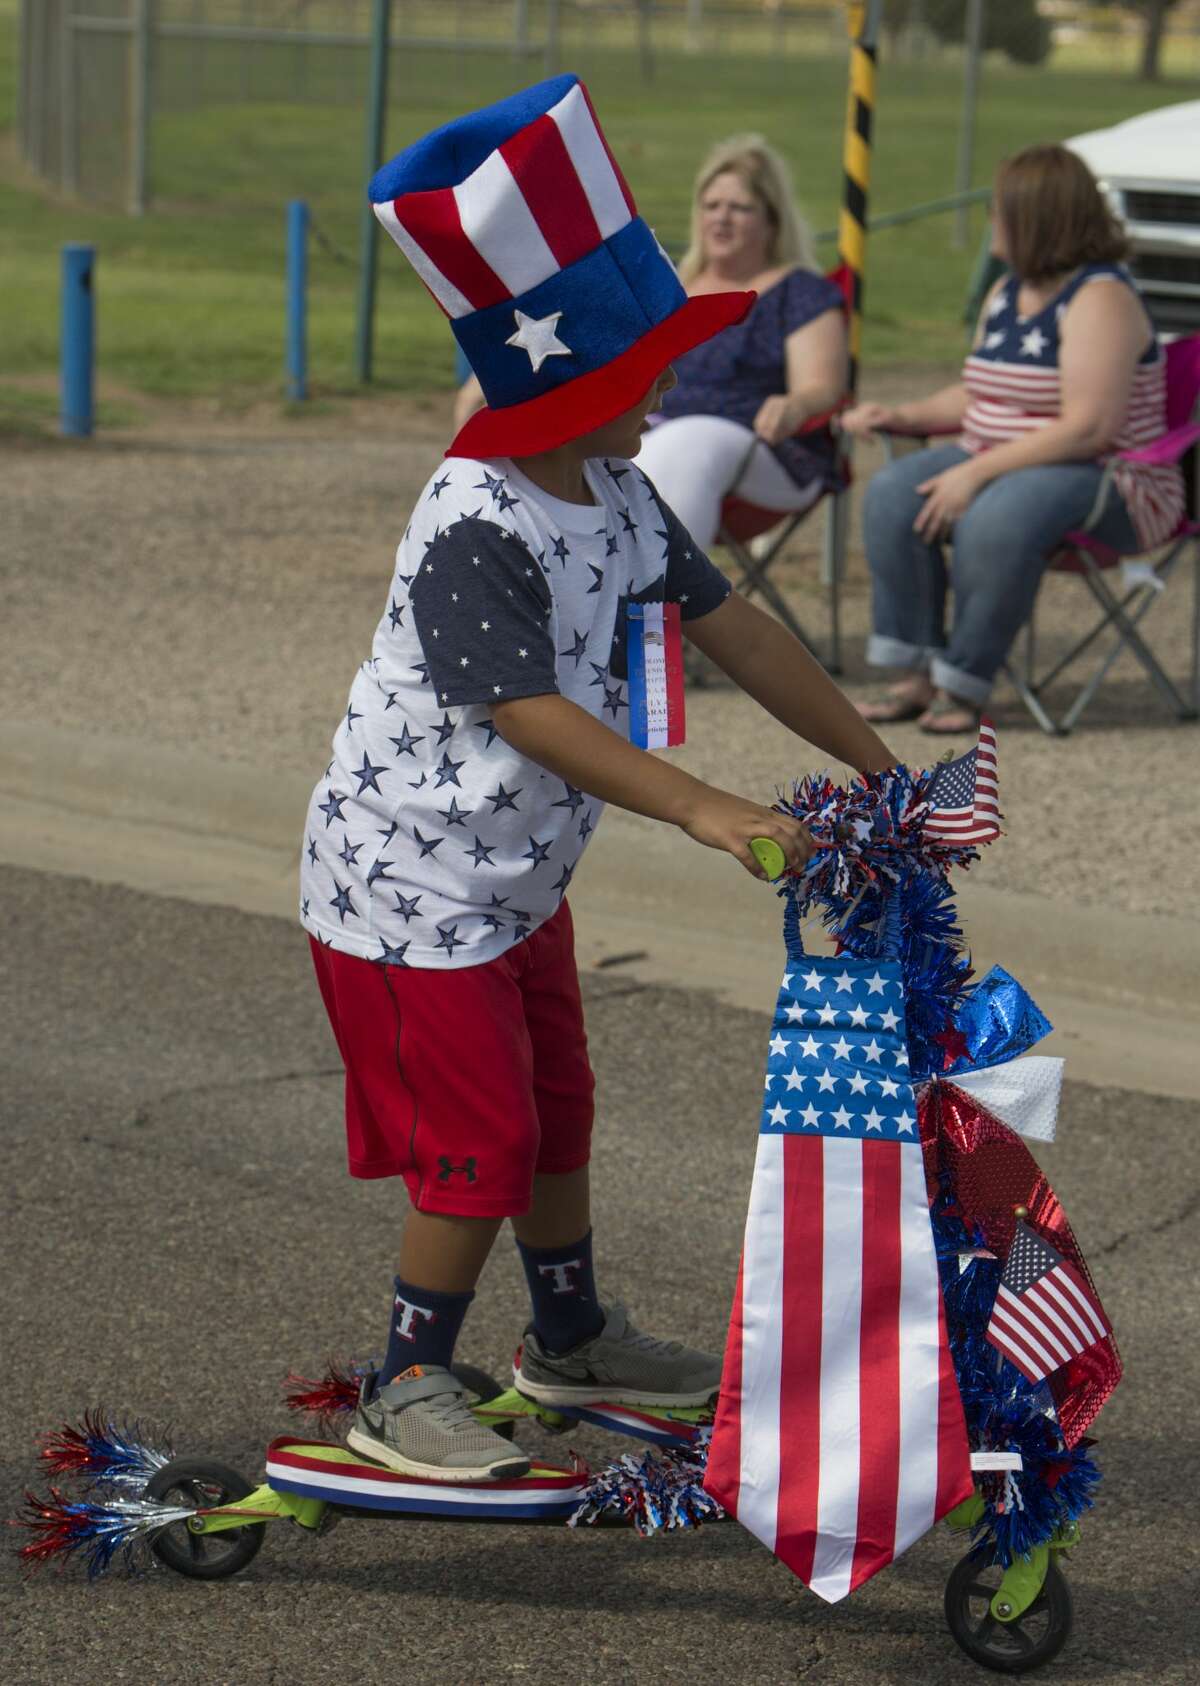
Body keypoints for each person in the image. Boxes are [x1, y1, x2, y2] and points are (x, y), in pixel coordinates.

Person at [300, 75, 894, 1485]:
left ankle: (565, 1338)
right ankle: (404, 1383)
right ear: (568, 384)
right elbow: (525, 708)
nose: (673, 387)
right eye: (650, 368)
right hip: (408, 892)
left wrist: (875, 760)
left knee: (560, 1103)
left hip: (515, 882)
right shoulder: (475, 513)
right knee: (483, 1143)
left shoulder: (620, 494)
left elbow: (735, 624)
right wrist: (702, 805)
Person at [842, 142, 1185, 735]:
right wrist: (902, 414)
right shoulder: (1007, 294)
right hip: (1008, 463)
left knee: (998, 515)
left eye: (998, 210)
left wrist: (975, 473)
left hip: (1115, 481)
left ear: (1038, 218)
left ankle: (965, 683)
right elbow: (980, 394)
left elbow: (1090, 426)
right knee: (894, 492)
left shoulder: (1101, 296)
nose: (989, 222)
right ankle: (914, 676)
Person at [633, 133, 848, 547]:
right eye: (711, 206)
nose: (721, 218)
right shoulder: (670, 285)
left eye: (740, 207)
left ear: (771, 220)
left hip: (764, 448)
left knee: (690, 441)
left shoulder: (800, 291)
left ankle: (663, 603)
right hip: (652, 435)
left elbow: (822, 386)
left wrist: (797, 404)